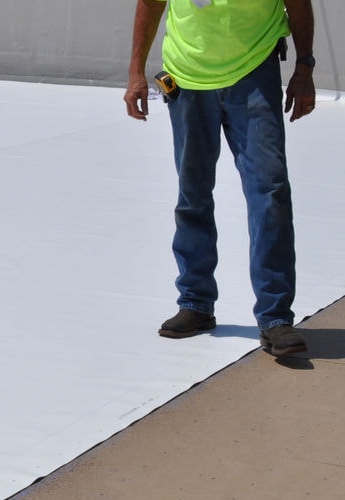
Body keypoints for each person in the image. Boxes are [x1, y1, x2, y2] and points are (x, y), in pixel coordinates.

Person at [124, 0, 316, 357]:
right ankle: (195, 303)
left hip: (254, 72)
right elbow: (151, 4)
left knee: (269, 190)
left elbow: (298, 4)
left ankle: (275, 318)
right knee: (193, 194)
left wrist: (304, 68)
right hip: (187, 77)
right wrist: (135, 72)